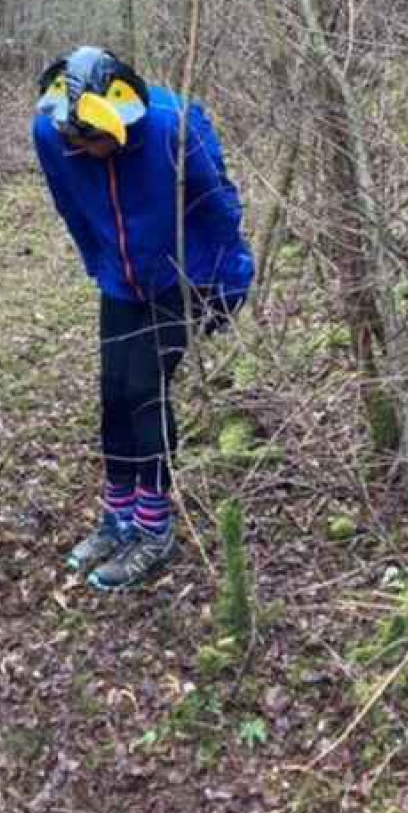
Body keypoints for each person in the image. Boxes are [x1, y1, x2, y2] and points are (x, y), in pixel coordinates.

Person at [32, 45, 254, 592]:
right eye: (79, 146)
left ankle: (155, 531)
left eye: (100, 143)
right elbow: (72, 208)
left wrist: (230, 282)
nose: (92, 153)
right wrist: (99, 264)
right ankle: (118, 516)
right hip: (120, 278)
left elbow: (219, 203)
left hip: (180, 273)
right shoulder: (50, 136)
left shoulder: (170, 126)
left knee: (145, 391)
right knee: (112, 391)